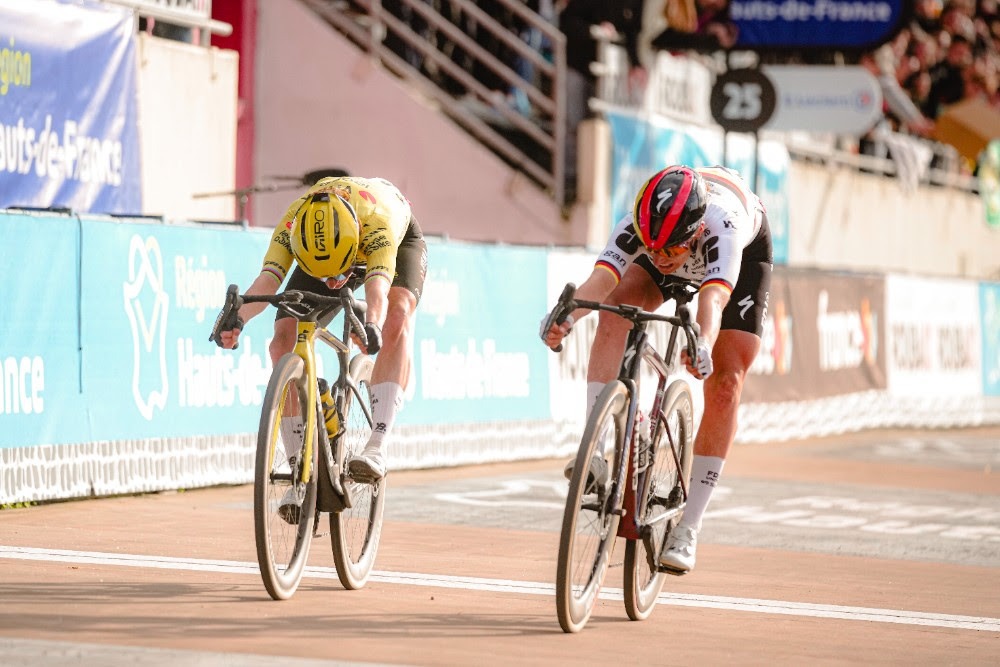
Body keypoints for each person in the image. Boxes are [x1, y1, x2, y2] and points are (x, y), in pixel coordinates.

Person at [541, 164, 772, 574]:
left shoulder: (725, 229)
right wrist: (567, 317)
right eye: (652, 248)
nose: (660, 259)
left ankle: (690, 527)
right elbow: (600, 282)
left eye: (669, 251)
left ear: (695, 233)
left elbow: (713, 303)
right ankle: (595, 449)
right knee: (615, 312)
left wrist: (701, 342)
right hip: (672, 232)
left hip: (741, 256)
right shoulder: (641, 226)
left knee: (727, 379)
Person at [214, 175, 428, 497]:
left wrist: (371, 326)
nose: (331, 284)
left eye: (336, 276)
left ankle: (378, 446)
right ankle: (300, 468)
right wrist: (237, 318)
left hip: (393, 239)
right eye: (323, 277)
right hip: (328, 246)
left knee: (396, 316)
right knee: (282, 340)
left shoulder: (378, 225)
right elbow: (268, 282)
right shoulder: (292, 225)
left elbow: (378, 292)